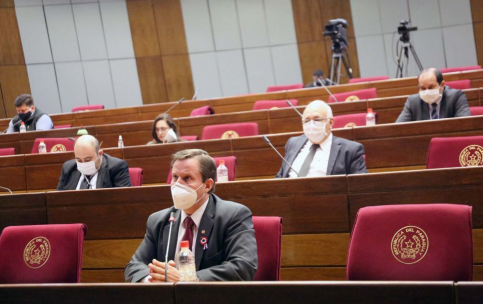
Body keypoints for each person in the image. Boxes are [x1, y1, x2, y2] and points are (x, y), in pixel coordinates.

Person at [125, 149, 257, 282]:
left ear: (207, 185)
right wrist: (153, 278)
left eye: (187, 178)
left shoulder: (233, 216)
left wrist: (188, 279)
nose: (178, 184)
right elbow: (134, 267)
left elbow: (243, 266)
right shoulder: (159, 220)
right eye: (175, 177)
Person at [276, 100, 367, 178]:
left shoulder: (351, 150)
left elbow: (360, 186)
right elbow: (280, 178)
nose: (311, 124)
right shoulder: (292, 143)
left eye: (317, 119)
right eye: (307, 120)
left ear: (331, 122)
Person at [57, 135, 131, 190]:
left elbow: (123, 202)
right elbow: (57, 200)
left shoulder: (117, 167)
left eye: (88, 160)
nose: (83, 163)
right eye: (79, 160)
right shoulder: (67, 168)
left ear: (100, 154)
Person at [396, 68, 471, 122]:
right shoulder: (413, 102)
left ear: (442, 85)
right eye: (423, 88)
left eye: (431, 87)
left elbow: (465, 123)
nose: (427, 91)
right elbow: (398, 128)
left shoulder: (456, 97)